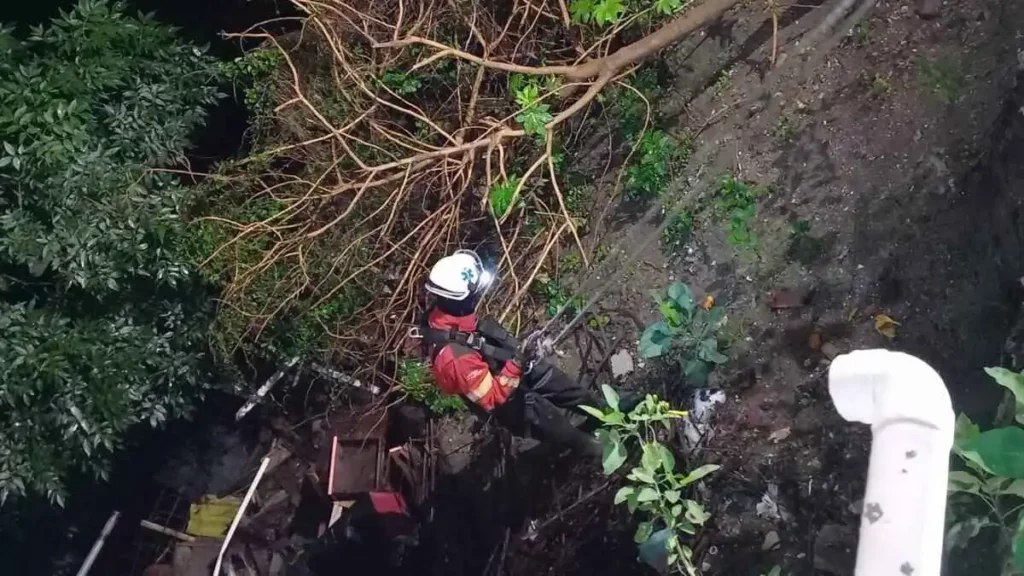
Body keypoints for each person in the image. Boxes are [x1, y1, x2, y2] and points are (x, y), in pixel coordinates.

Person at [415, 250, 601, 455]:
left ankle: (607, 414)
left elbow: (483, 343)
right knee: (562, 431)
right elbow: (493, 398)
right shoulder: (454, 360)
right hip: (509, 400)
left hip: (508, 365)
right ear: (463, 298)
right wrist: (518, 362)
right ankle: (598, 452)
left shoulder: (451, 314)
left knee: (569, 391)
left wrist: (524, 352)